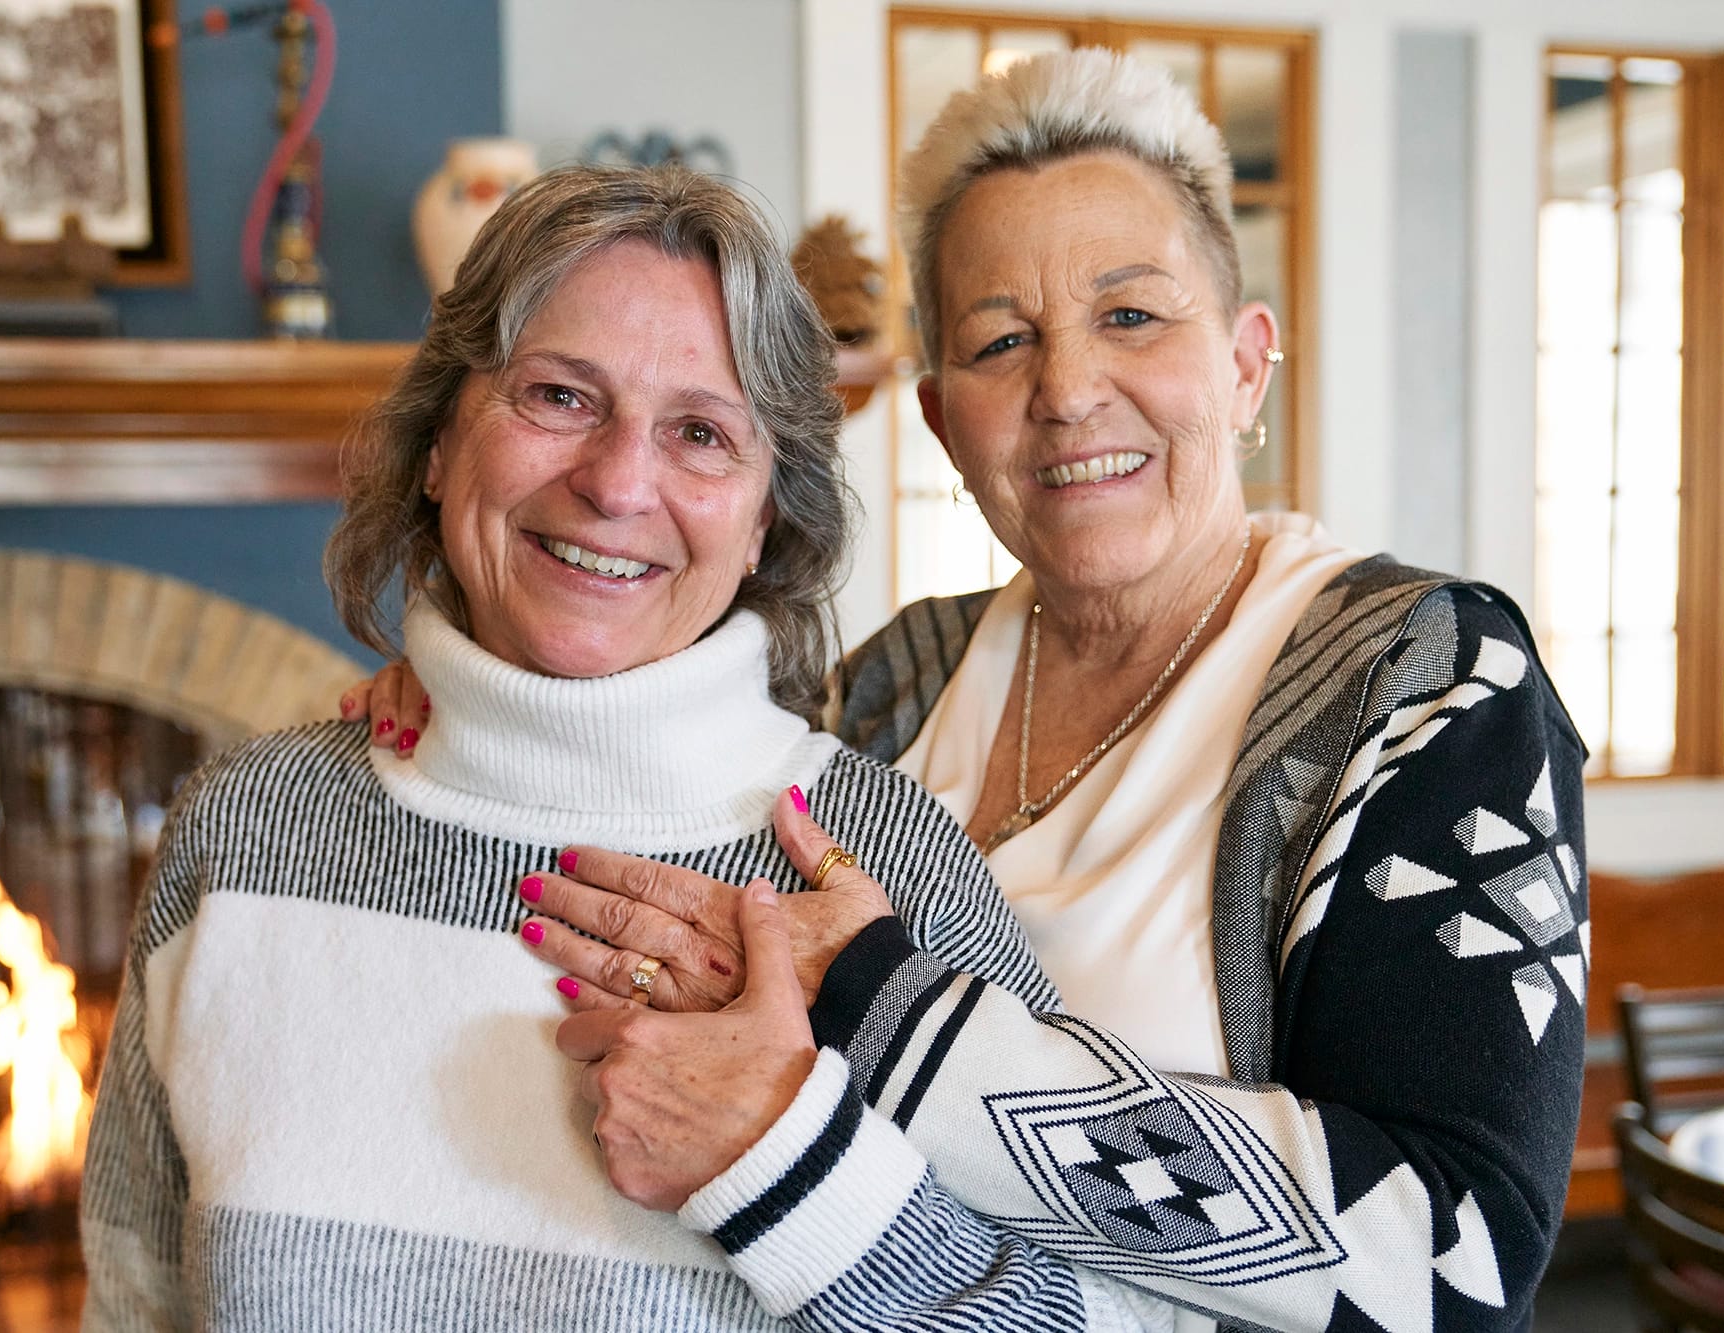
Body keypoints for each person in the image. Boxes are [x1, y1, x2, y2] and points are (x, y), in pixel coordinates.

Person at [359, 49, 1587, 1333]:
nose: (1066, 391)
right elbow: (634, 702)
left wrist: (891, 1012)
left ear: (1243, 364)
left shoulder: (1428, 682)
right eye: (1003, 341)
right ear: (945, 423)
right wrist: (464, 684)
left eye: (1131, 314)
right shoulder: (895, 681)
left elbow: (1456, 1255)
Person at [79, 162, 1162, 1331]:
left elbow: (1104, 1312)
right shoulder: (246, 825)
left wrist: (789, 1167)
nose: (616, 482)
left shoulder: (874, 869)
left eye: (700, 432)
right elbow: (132, 1299)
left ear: (762, 524)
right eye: (558, 396)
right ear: (440, 440)